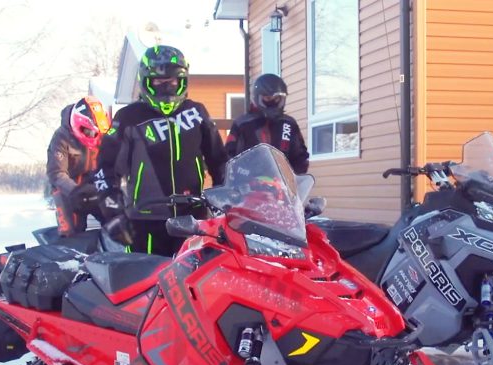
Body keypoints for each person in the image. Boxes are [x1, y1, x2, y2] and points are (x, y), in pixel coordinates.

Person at [95, 45, 228, 256]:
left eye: (172, 82)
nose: (166, 88)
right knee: (147, 276)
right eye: (158, 82)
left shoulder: (196, 112)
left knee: (199, 275)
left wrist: (228, 201)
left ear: (182, 81)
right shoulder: (128, 118)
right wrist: (113, 214)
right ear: (146, 81)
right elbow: (105, 170)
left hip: (194, 219)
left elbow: (219, 161)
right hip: (145, 222)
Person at [46, 96, 110, 236]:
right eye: (89, 132)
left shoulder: (103, 136)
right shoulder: (61, 138)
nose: (94, 137)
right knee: (70, 232)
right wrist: (76, 190)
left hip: (96, 187)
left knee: (116, 223)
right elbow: (56, 173)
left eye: (98, 133)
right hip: (68, 190)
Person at [224, 73, 309, 175]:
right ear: (258, 97)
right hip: (247, 180)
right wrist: (244, 173)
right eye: (267, 98)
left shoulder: (289, 124)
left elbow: (300, 156)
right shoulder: (243, 124)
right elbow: (229, 156)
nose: (273, 102)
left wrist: (293, 175)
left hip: (280, 182)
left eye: (277, 98)